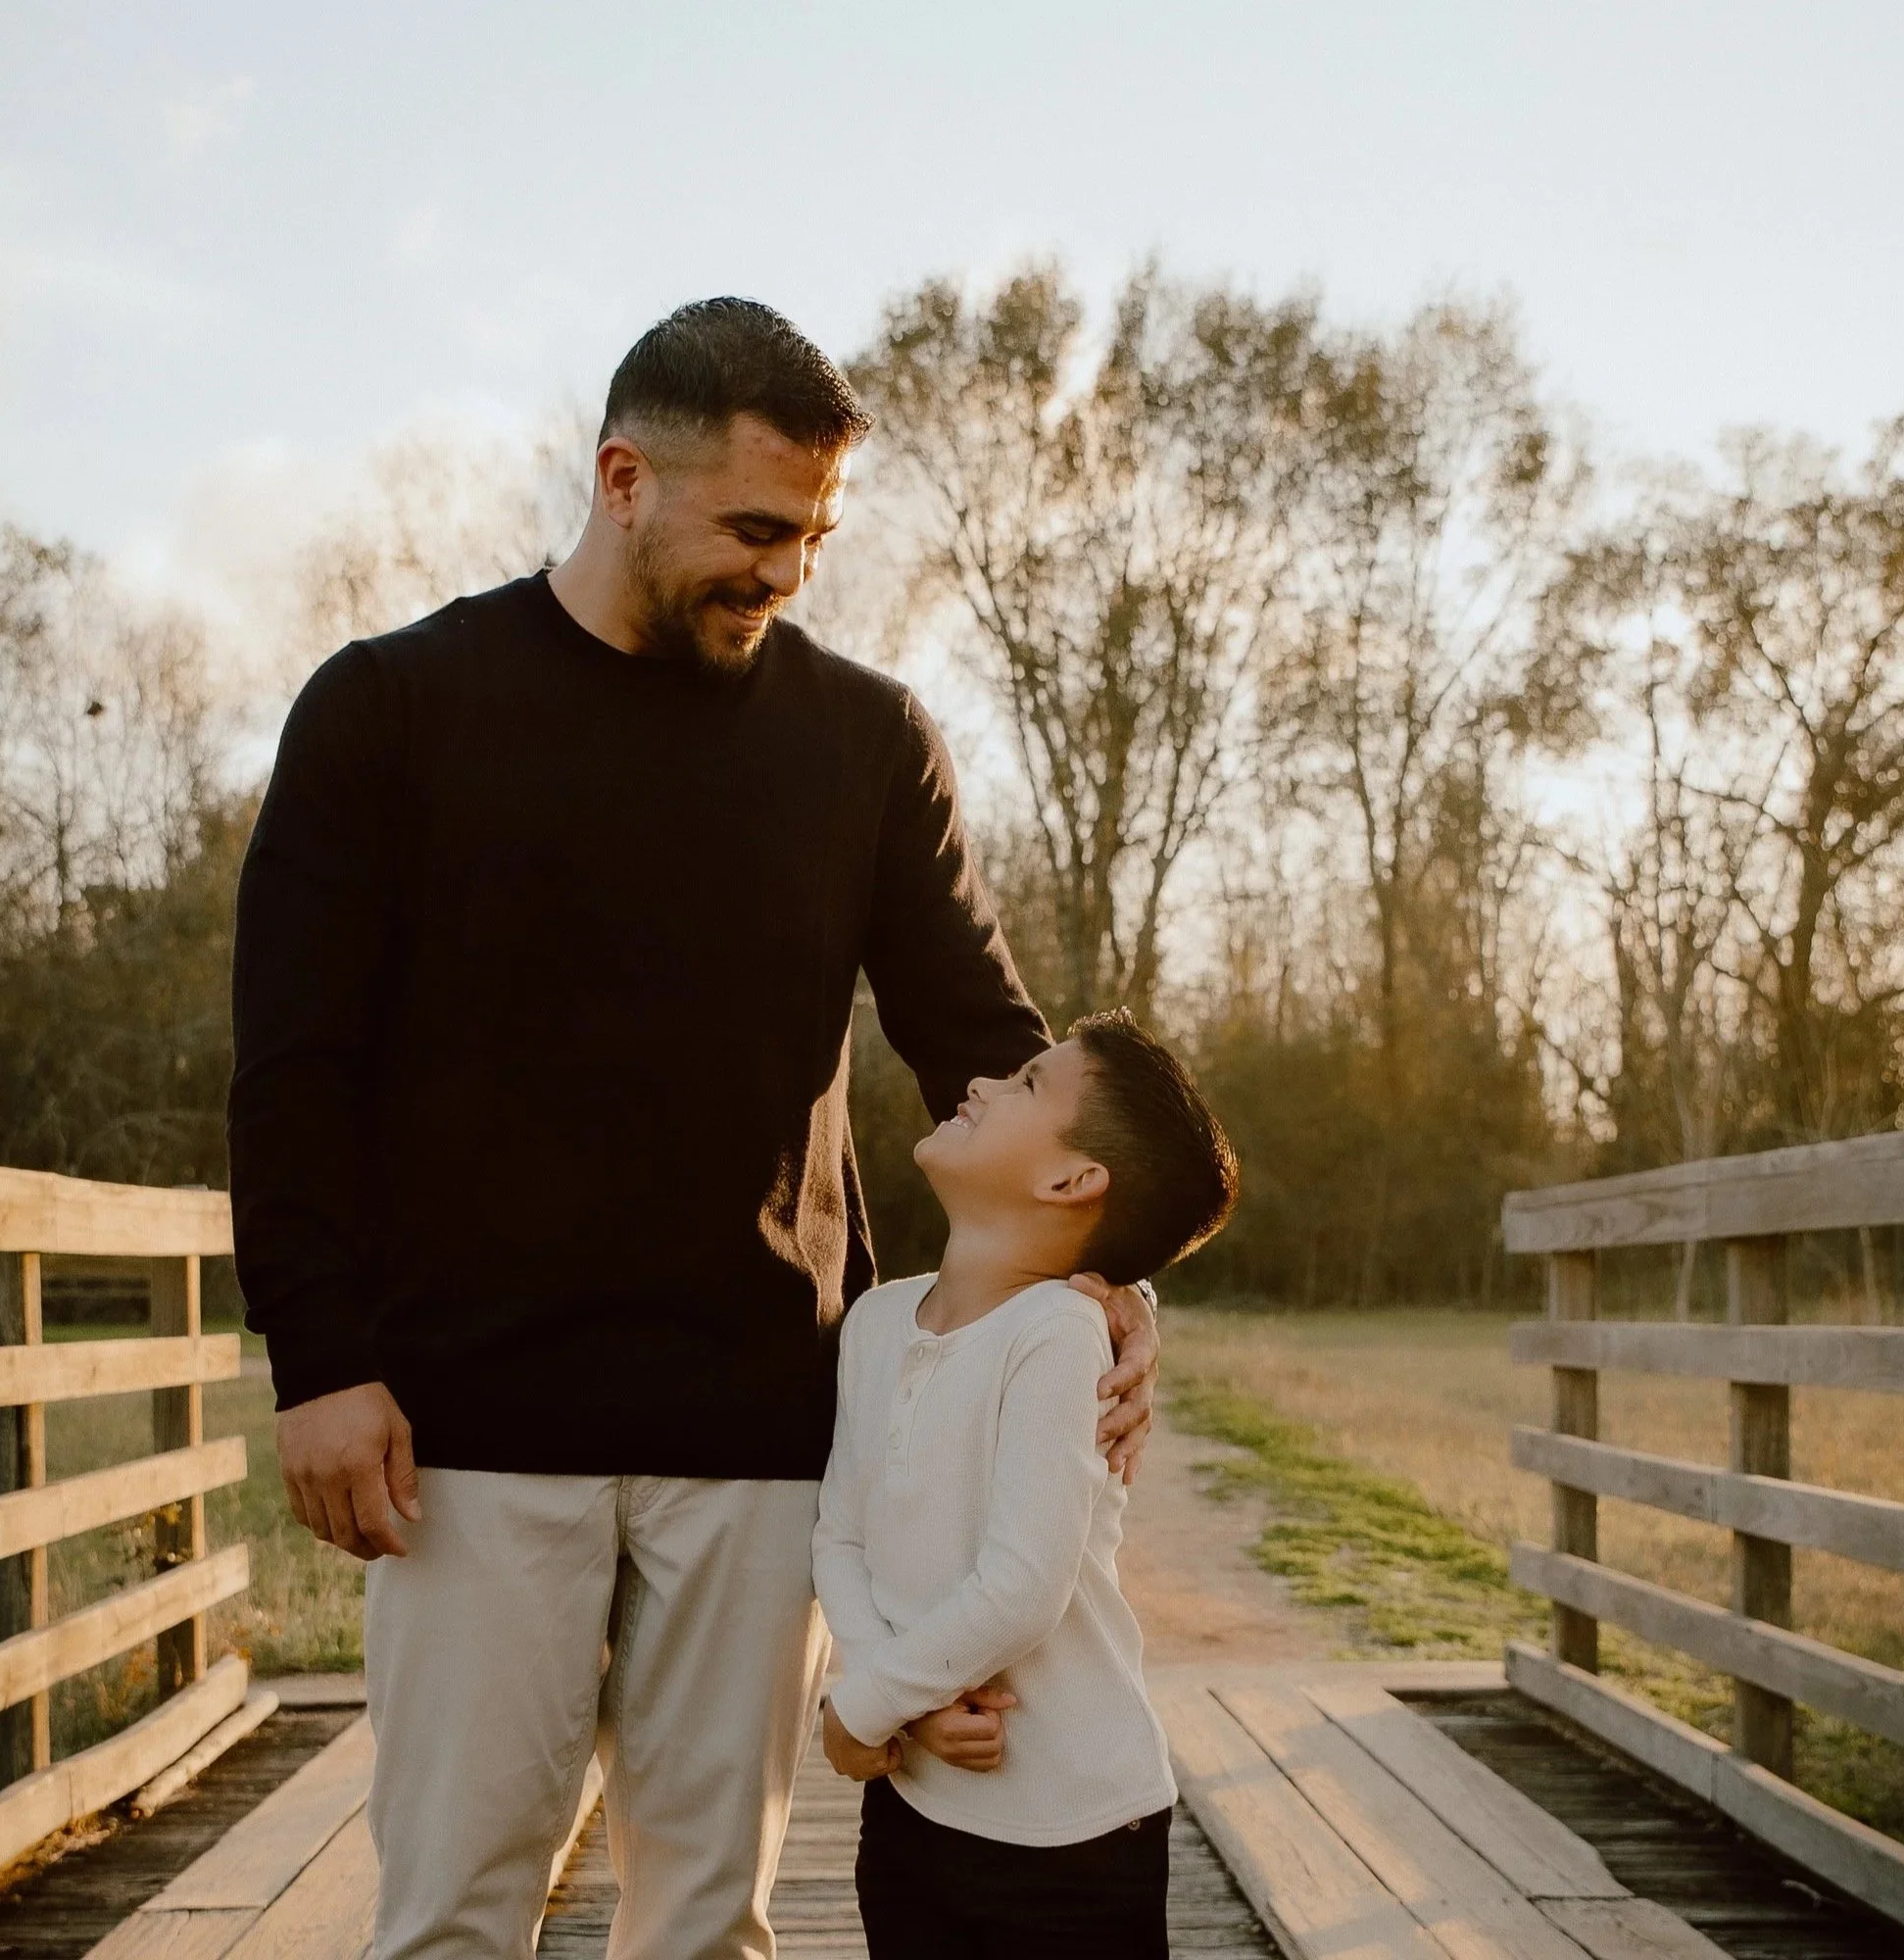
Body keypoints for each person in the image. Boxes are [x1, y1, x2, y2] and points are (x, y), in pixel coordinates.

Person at [227, 297, 1163, 1960]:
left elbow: (982, 1043)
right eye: (753, 527)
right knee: (453, 1912)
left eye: (812, 534)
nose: (785, 570)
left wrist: (1110, 1268)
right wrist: (318, 1354)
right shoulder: (390, 711)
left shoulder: (866, 745)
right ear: (619, 479)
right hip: (467, 1425)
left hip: (756, 1426)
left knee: (708, 1924)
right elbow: (295, 1066)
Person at [813, 1011, 1238, 1960]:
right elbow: (840, 1531)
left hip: (1074, 1837)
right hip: (917, 1803)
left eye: (1028, 1083)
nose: (984, 1083)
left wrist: (862, 1707)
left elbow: (1023, 1585)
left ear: (1071, 1179)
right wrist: (896, 1697)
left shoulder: (1057, 1330)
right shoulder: (877, 1320)